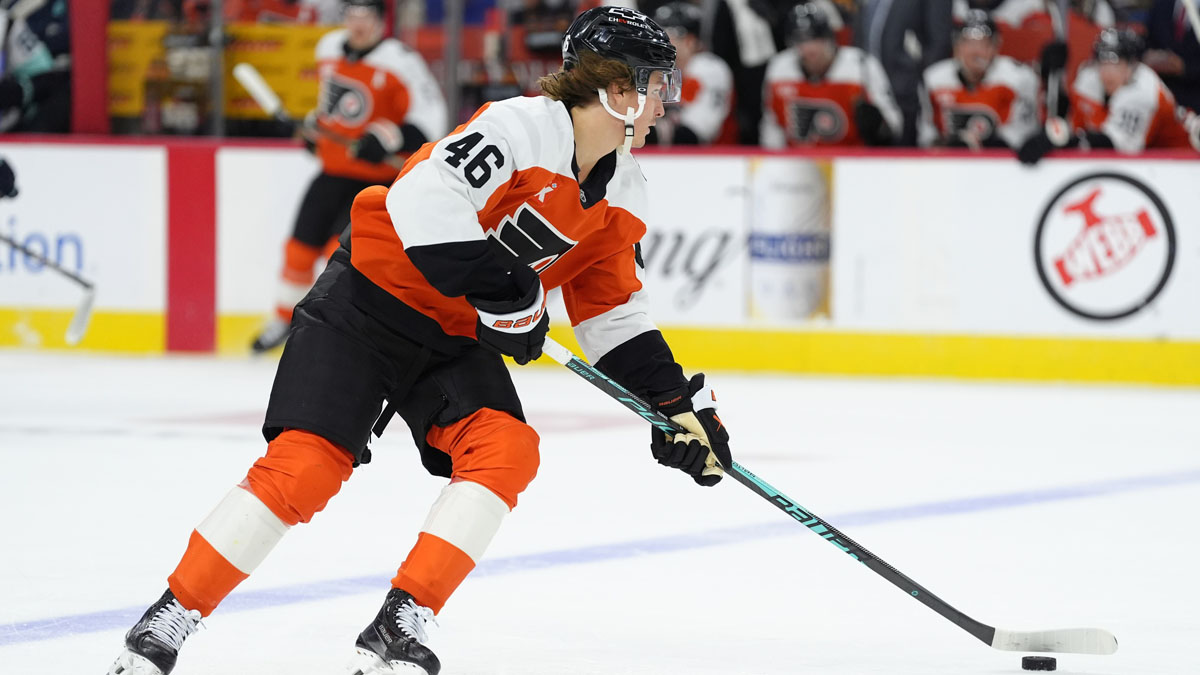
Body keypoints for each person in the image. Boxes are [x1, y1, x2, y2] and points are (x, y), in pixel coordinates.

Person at [106, 6, 734, 675]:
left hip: (452, 337)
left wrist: (674, 405)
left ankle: (399, 621)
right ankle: (171, 614)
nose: (668, 99)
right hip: (367, 305)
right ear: (617, 89)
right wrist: (510, 289)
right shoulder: (518, 128)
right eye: (658, 84)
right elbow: (420, 201)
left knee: (505, 450)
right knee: (307, 465)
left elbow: (614, 319)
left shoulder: (625, 195)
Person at [250, 0, 447, 352]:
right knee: (299, 248)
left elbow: (432, 118)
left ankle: (329, 327)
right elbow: (334, 105)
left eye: (365, 15)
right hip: (332, 172)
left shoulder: (401, 60)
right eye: (351, 14)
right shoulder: (327, 47)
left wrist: (387, 137)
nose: (357, 23)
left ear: (380, 19)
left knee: (336, 256)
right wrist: (316, 133)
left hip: (377, 182)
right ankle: (284, 320)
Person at [1018, 28, 1194, 163]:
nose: (1106, 73)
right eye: (1102, 63)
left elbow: (1116, 147)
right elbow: (1076, 126)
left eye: (1116, 64)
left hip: (1182, 161)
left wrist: (1064, 141)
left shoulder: (1144, 92)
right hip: (1151, 162)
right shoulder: (1089, 77)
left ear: (1132, 65)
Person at [762, 2, 902, 148]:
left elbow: (893, 124)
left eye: (815, 39)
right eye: (801, 41)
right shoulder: (779, 69)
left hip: (853, 162)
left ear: (829, 39)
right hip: (797, 163)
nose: (809, 48)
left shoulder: (861, 66)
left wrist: (879, 127)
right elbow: (772, 130)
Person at [919, 9, 1040, 149]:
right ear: (956, 47)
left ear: (996, 48)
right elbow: (925, 140)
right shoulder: (933, 79)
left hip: (1000, 163)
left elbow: (1024, 136)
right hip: (946, 164)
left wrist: (978, 144)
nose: (975, 51)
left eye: (984, 44)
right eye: (968, 42)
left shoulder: (1018, 78)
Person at [855, 0, 954, 145]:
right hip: (870, 94)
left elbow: (939, 43)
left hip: (908, 96)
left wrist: (917, 81)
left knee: (907, 158)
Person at [649, 1, 734, 145]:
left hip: (714, 157)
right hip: (670, 156)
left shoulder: (709, 68)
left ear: (691, 41)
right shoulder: (665, 71)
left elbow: (698, 133)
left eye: (670, 34)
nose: (660, 42)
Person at [1144, 0, 1200, 113]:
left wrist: (1184, 67)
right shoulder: (1162, 4)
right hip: (1161, 98)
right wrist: (1150, 57)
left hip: (1195, 97)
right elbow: (1147, 41)